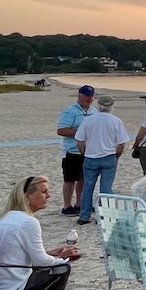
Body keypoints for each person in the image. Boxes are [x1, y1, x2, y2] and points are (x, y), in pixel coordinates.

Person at [0, 176, 80, 290]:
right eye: (44, 192)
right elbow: (41, 262)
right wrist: (62, 257)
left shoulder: (4, 218)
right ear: (27, 196)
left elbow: (17, 254)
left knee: (49, 266)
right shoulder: (28, 222)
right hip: (10, 288)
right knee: (62, 268)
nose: (49, 196)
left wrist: (50, 253)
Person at [74, 94, 129, 224]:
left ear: (98, 106)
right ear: (112, 106)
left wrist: (84, 153)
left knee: (88, 187)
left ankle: (84, 216)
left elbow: (80, 141)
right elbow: (121, 143)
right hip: (109, 157)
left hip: (91, 157)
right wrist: (116, 156)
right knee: (106, 189)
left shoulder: (88, 120)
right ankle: (104, 216)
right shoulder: (116, 121)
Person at [55, 85, 96, 216]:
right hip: (72, 151)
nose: (89, 99)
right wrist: (80, 132)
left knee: (83, 179)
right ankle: (67, 206)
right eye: (86, 96)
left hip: (88, 151)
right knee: (70, 179)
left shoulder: (94, 112)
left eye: (91, 96)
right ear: (80, 96)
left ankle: (80, 204)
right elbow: (61, 130)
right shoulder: (71, 112)